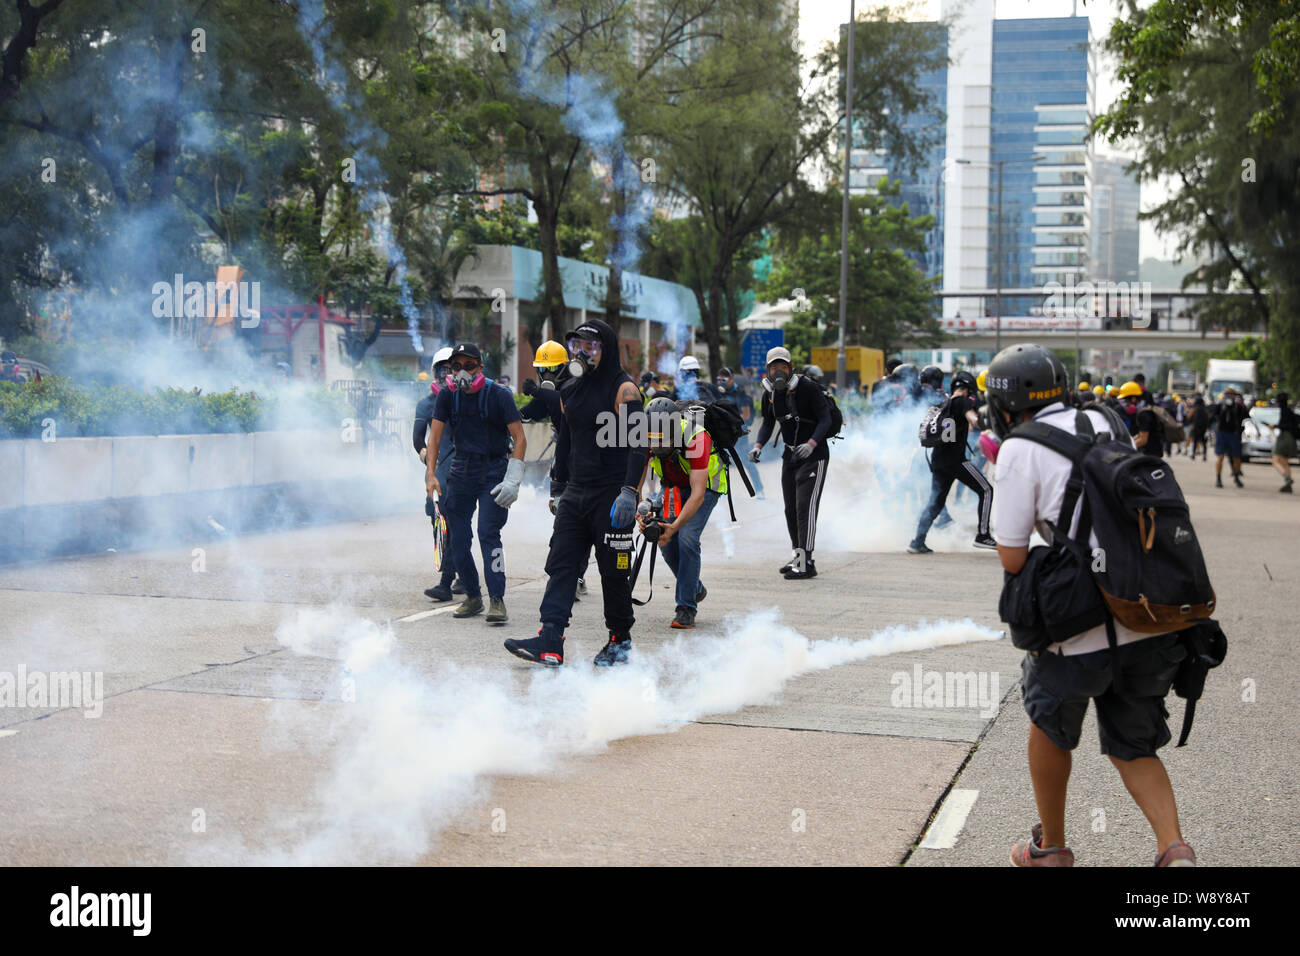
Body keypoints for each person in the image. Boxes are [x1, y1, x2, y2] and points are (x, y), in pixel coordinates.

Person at [986, 343, 1196, 868]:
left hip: (1074, 627)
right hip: (1143, 609)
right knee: (1133, 744)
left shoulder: (1018, 448)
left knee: (1050, 724)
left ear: (1004, 404)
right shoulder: (1109, 422)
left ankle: (1050, 847)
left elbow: (1012, 557)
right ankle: (1174, 848)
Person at [504, 319, 649, 667]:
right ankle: (550, 640)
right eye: (576, 345)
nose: (581, 353)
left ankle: (620, 641)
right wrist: (558, 482)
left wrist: (630, 492)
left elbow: (639, 444)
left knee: (614, 572)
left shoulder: (624, 390)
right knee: (562, 565)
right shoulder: (570, 387)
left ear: (606, 349)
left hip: (612, 497)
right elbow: (567, 435)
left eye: (590, 346)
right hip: (576, 492)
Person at [424, 344, 526, 624]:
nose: (461, 372)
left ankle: (497, 599)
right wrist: (431, 474)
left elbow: (519, 438)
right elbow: (434, 437)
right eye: (455, 367)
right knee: (458, 538)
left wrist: (513, 479)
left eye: (468, 366)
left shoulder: (499, 395)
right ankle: (472, 596)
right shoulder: (447, 395)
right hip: (461, 470)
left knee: (487, 534)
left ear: (480, 367)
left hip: (494, 470)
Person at [636, 397, 723, 628]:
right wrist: (639, 512)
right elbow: (637, 478)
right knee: (663, 540)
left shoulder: (697, 437)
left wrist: (674, 526)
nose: (656, 446)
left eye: (662, 440)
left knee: (686, 538)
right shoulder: (647, 435)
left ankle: (686, 608)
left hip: (705, 488)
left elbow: (697, 494)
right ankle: (694, 588)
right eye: (653, 439)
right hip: (672, 487)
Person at [749, 346, 831, 579]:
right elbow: (767, 423)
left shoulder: (808, 387)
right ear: (767, 370)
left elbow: (825, 419)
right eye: (773, 367)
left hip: (814, 456)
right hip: (790, 456)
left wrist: (812, 443)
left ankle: (806, 563)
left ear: (790, 367)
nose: (778, 371)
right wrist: (757, 446)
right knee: (791, 509)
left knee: (806, 508)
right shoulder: (771, 393)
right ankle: (798, 556)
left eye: (782, 366)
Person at [907, 370, 995, 554]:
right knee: (986, 489)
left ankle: (917, 541)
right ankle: (983, 535)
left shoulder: (943, 404)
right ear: (967, 389)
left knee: (936, 502)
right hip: (955, 460)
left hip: (938, 460)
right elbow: (974, 420)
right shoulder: (961, 401)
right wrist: (986, 421)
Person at [415, 347, 464, 602]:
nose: (446, 374)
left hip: (463, 471)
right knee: (441, 527)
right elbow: (417, 438)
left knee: (457, 528)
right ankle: (460, 574)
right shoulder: (426, 404)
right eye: (441, 369)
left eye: (450, 369)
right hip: (438, 474)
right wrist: (427, 457)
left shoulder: (466, 399)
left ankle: (451, 579)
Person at [715, 366, 764, 498]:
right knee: (719, 463)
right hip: (724, 434)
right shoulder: (720, 394)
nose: (721, 381)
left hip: (739, 435)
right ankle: (720, 492)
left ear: (731, 379)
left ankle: (759, 489)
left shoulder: (740, 393)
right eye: (719, 379)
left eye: (724, 378)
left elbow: (746, 416)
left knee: (747, 463)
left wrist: (728, 418)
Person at [1214, 388, 1247, 488]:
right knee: (1220, 457)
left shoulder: (1239, 406)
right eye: (1227, 394)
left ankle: (1236, 477)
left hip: (1234, 434)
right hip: (1222, 433)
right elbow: (1215, 416)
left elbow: (1245, 418)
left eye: (1231, 394)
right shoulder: (1220, 404)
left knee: (1237, 458)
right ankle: (1218, 479)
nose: (1229, 397)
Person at [1270, 392, 1296, 493]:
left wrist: (1274, 426)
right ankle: (1288, 486)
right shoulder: (1290, 410)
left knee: (1275, 460)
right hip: (1291, 438)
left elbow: (1284, 425)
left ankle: (1287, 478)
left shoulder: (1284, 411)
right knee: (1285, 462)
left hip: (1284, 437)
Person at [1133, 391, 1165, 458]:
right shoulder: (1149, 410)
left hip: (1150, 454)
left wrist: (1127, 447)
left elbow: (1143, 440)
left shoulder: (1144, 414)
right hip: (1154, 451)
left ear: (1134, 399)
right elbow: (1142, 433)